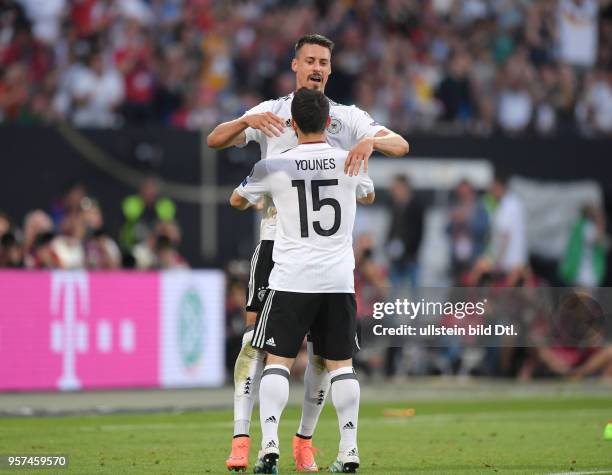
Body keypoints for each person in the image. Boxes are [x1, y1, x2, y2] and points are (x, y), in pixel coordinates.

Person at [207, 33, 409, 472]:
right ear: (295, 65)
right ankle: (243, 438)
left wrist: (370, 141)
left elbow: (400, 143)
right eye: (310, 59)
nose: (317, 67)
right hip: (278, 243)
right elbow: (215, 139)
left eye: (324, 61)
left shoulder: (348, 118)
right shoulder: (270, 112)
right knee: (256, 344)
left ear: (330, 70)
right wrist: (245, 124)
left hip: (311, 252)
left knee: (317, 353)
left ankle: (301, 440)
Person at [230, 87, 375, 474]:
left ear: (292, 125)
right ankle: (349, 450)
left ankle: (270, 446)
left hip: (292, 277)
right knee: (340, 366)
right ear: (329, 123)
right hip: (338, 281)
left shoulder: (275, 165)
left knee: (278, 362)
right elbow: (368, 196)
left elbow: (237, 200)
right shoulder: (351, 161)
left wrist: (258, 195)